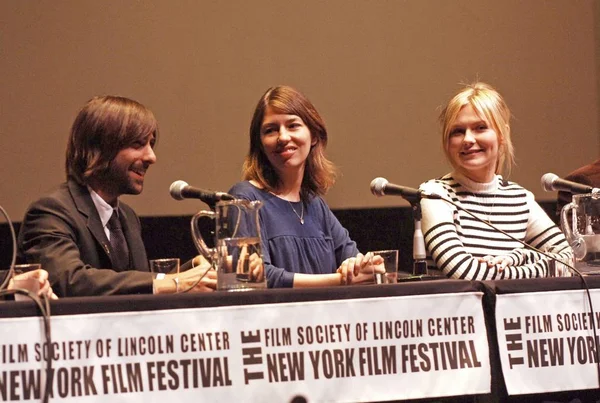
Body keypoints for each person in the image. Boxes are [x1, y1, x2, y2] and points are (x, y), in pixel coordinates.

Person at [18, 96, 216, 297]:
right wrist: (174, 282)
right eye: (138, 144)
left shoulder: (127, 216)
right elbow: (68, 280)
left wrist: (192, 270)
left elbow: (132, 286)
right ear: (100, 148)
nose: (151, 157)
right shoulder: (51, 212)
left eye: (151, 144)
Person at [228, 85, 383, 288]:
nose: (283, 137)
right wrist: (339, 280)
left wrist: (363, 266)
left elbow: (356, 262)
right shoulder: (244, 199)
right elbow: (256, 278)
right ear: (260, 144)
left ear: (314, 136)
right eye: (270, 130)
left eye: (292, 125)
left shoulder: (315, 205)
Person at [419, 82, 571, 280]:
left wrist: (520, 256)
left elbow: (568, 260)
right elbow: (465, 273)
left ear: (501, 134)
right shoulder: (435, 195)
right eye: (457, 131)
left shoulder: (520, 198)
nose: (468, 139)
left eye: (480, 128)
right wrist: (536, 269)